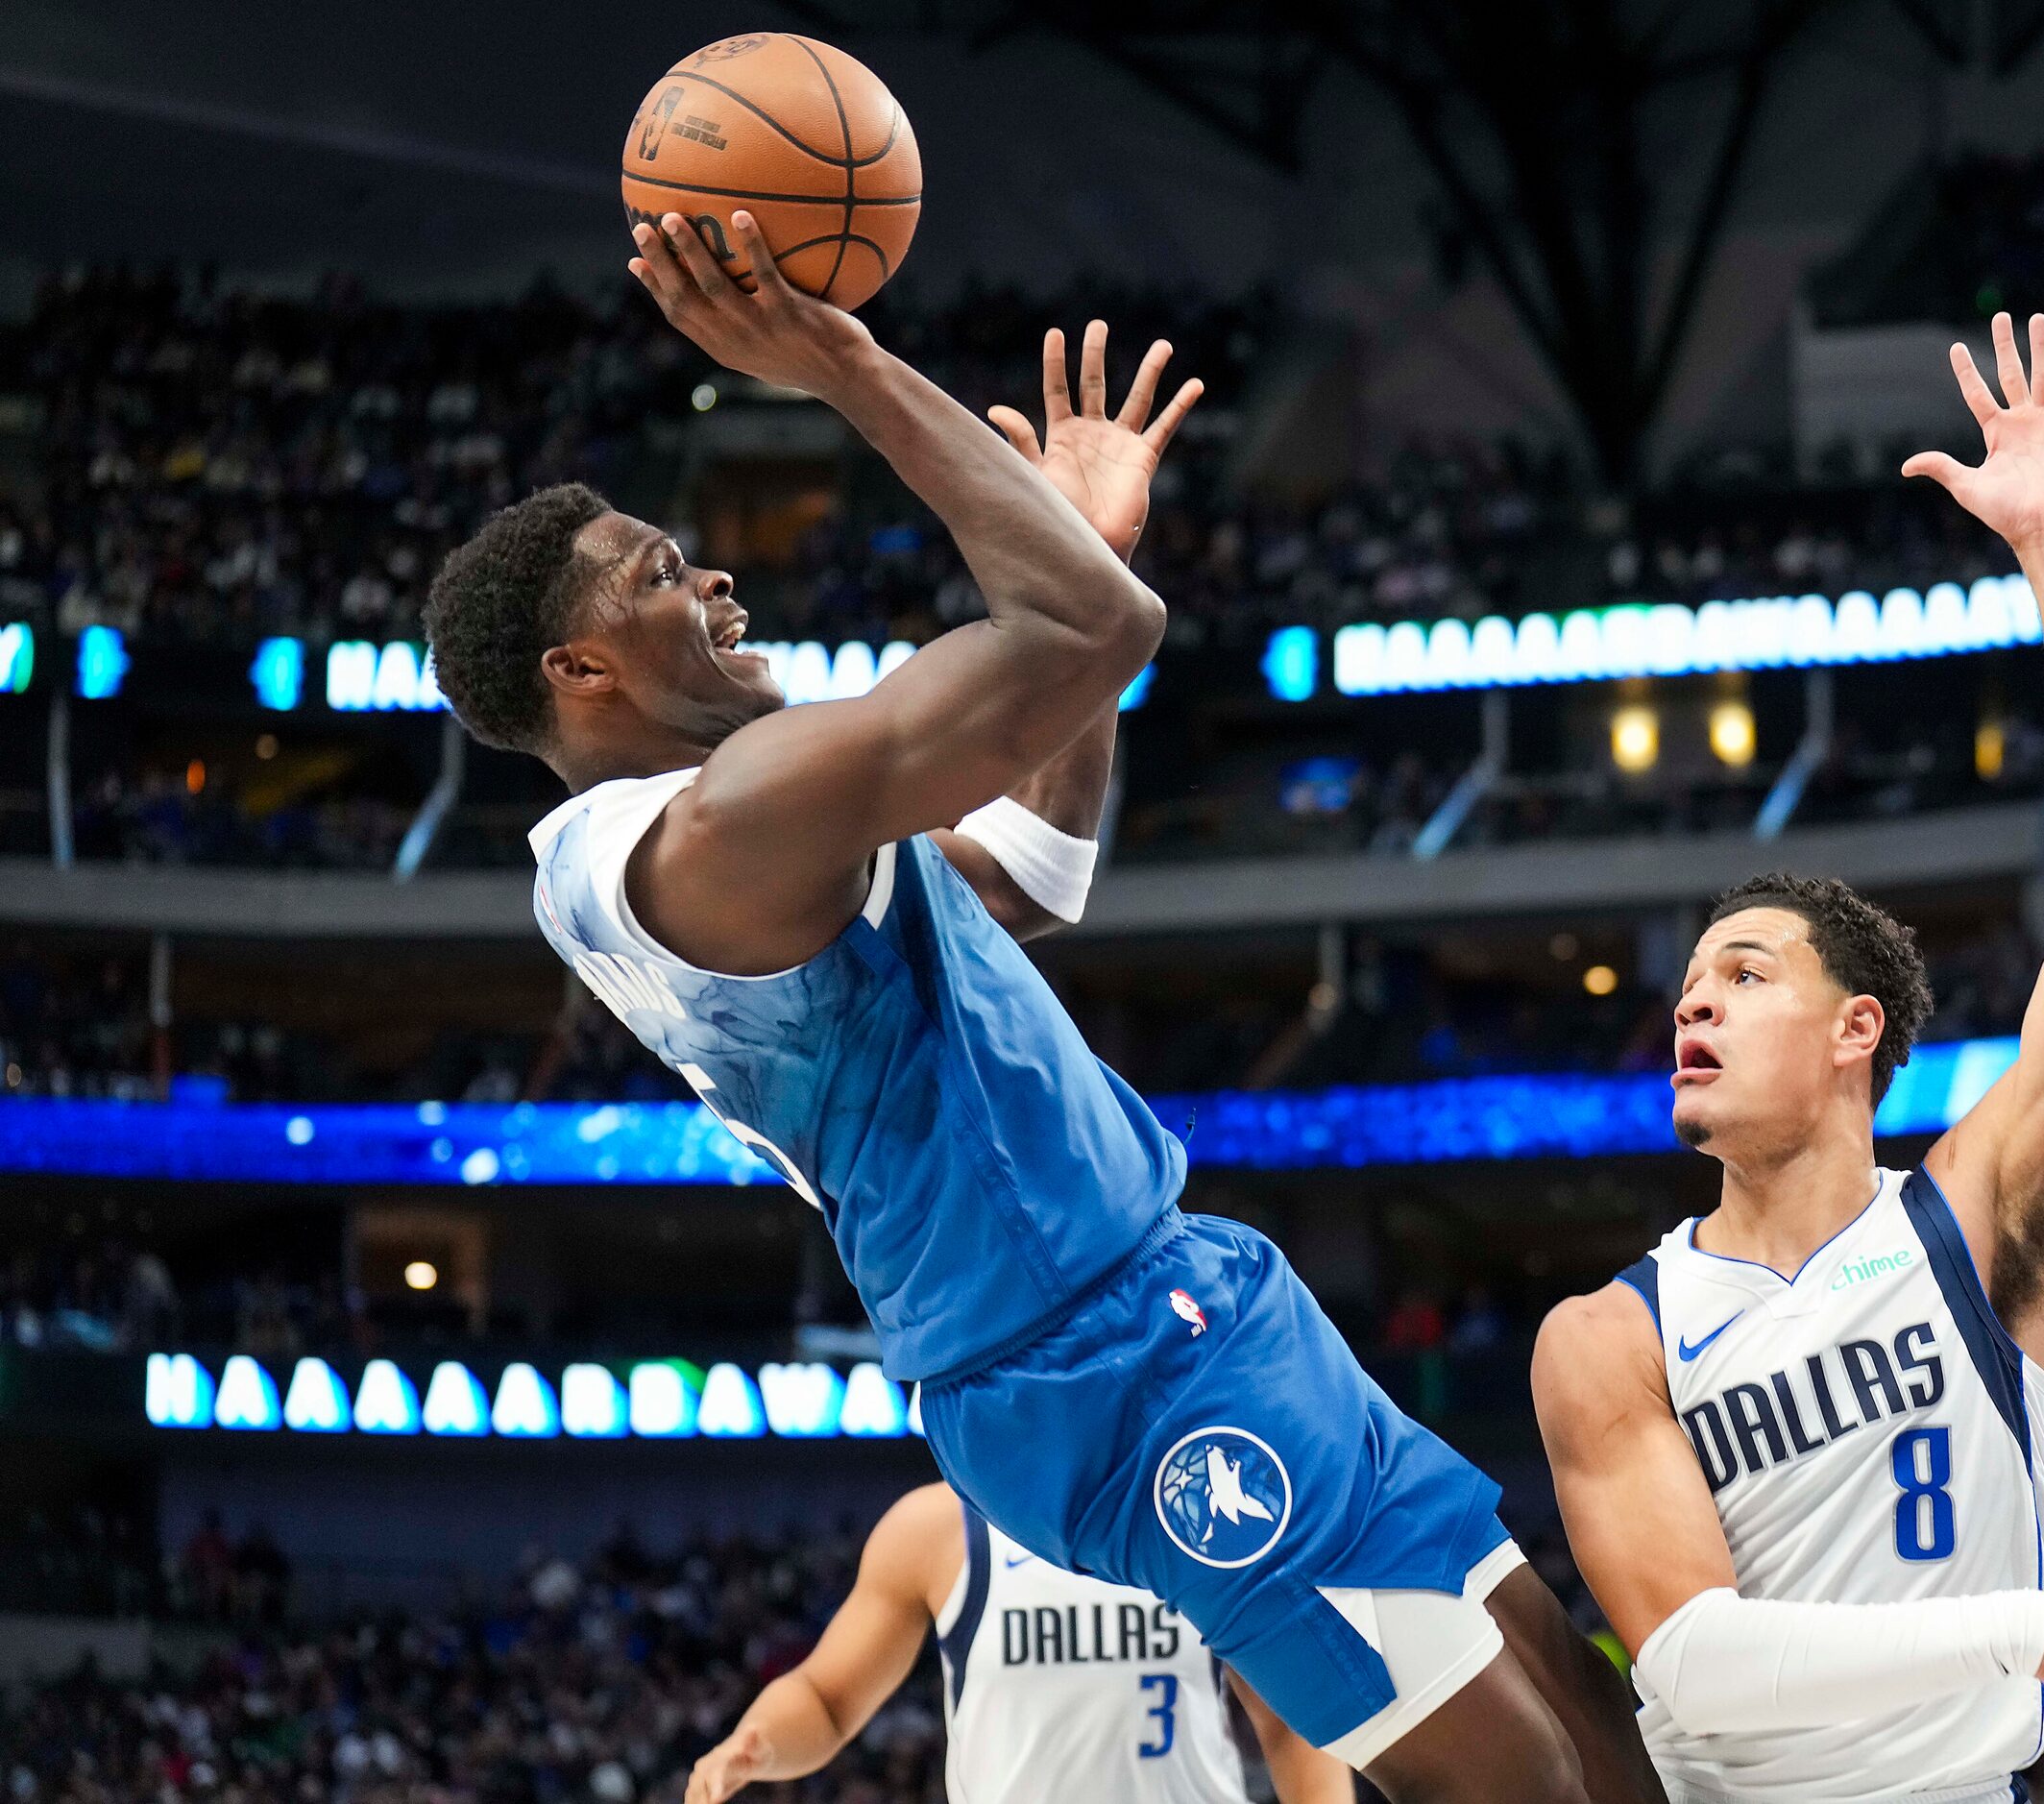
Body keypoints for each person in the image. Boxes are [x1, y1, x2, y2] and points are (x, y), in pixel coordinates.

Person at [421, 208, 1661, 1804]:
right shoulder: (708, 833)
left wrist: (1090, 545)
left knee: (1591, 1727)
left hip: (1182, 1290)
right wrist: (840, 362)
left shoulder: (751, 833)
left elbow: (1026, 868)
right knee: (1522, 1788)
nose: (714, 575)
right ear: (581, 668)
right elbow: (1090, 634)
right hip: (1090, 1364)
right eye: (665, 572)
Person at [1531, 314, 2044, 1804]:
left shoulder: (1981, 1218)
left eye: (1743, 975)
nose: (1694, 1009)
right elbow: (1696, 1666)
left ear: (1857, 1029)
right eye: (1685, 989)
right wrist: (2028, 1632)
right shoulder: (1608, 1335)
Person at [687, 1483, 1350, 1804]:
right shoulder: (938, 1529)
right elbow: (828, 1699)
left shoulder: (1196, 1515)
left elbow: (1290, 1724)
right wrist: (756, 1741)